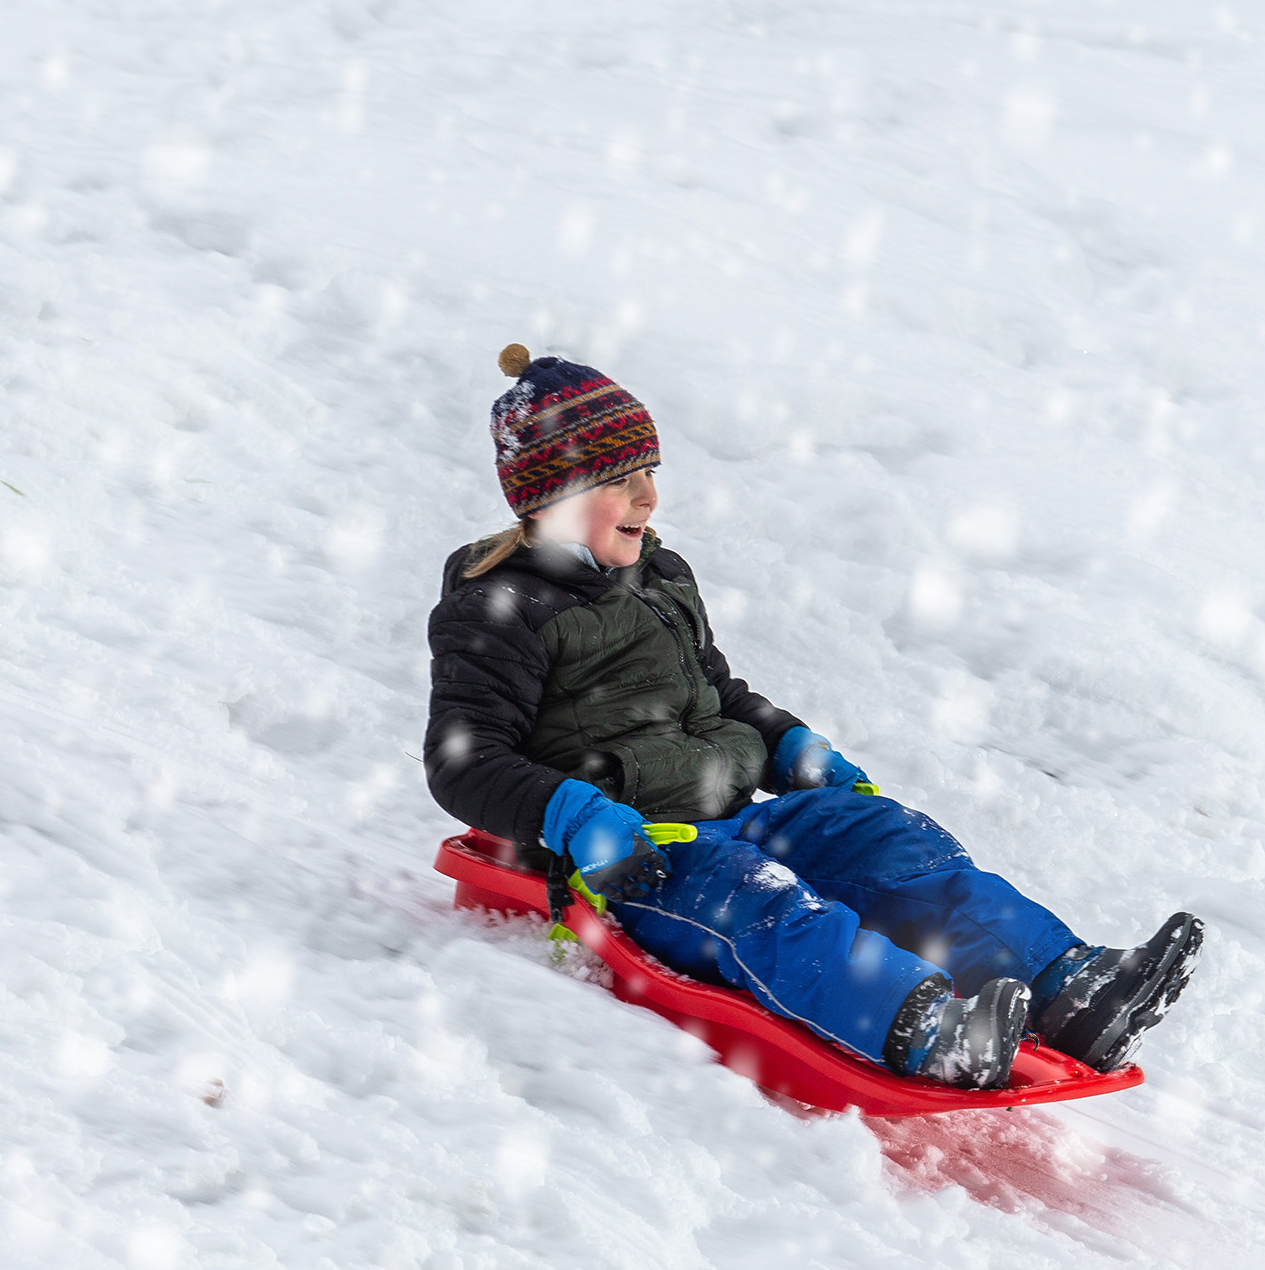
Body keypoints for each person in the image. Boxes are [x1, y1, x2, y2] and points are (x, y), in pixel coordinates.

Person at [424, 347, 1202, 1089]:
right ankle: (925, 1029)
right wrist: (577, 817)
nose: (648, 497)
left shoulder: (659, 575)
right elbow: (465, 758)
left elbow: (715, 694)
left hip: (738, 815)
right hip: (640, 856)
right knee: (762, 901)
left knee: (889, 841)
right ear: (551, 498)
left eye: (650, 473)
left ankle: (1071, 989)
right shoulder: (499, 607)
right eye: (620, 481)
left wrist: (789, 745)